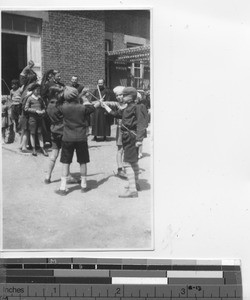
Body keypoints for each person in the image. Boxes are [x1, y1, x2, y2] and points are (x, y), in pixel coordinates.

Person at [101, 87, 148, 198]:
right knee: (133, 162)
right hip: (128, 138)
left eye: (123, 95)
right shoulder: (128, 107)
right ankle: (135, 184)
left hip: (132, 138)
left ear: (130, 96)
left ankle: (132, 190)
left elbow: (141, 124)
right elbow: (116, 114)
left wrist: (139, 140)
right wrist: (106, 107)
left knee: (127, 163)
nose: (121, 97)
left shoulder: (137, 107)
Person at [56, 86, 100, 195]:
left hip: (67, 138)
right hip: (81, 138)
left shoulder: (63, 107)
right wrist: (98, 103)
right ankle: (84, 186)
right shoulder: (82, 108)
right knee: (83, 161)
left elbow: (59, 102)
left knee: (66, 162)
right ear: (76, 96)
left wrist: (65, 94)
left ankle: (62, 188)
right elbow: (92, 107)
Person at [44, 85, 80, 184]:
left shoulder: (49, 104)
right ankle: (67, 176)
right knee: (66, 155)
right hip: (64, 131)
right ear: (57, 94)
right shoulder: (61, 106)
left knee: (54, 155)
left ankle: (47, 176)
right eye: (61, 93)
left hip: (54, 131)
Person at [24, 83, 48, 157]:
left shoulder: (40, 98)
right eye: (37, 90)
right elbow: (26, 108)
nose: (38, 91)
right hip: (32, 118)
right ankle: (33, 148)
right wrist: (35, 111)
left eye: (39, 90)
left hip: (40, 118)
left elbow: (44, 107)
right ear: (33, 90)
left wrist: (43, 111)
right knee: (33, 133)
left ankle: (42, 148)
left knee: (40, 133)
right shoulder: (30, 98)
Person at [135, 91, 149, 159]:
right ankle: (136, 152)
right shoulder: (133, 106)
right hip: (135, 124)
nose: (135, 100)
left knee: (139, 140)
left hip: (141, 124)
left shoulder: (142, 106)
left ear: (139, 99)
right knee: (135, 139)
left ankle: (140, 153)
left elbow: (146, 115)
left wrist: (146, 124)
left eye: (136, 99)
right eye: (134, 99)